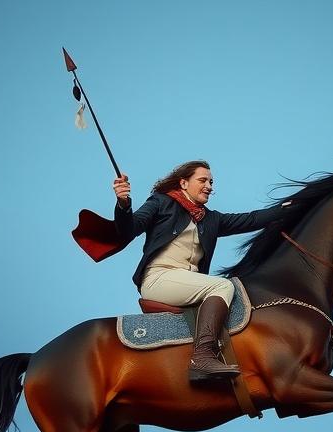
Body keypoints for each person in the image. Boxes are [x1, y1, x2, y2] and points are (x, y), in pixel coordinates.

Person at [113, 160, 283, 380]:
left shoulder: (211, 219)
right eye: (202, 180)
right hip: (158, 278)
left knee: (227, 290)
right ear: (183, 183)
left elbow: (250, 219)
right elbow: (129, 229)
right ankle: (202, 358)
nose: (209, 186)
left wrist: (289, 207)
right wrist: (124, 204)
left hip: (186, 282)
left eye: (211, 182)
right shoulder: (161, 202)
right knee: (223, 285)